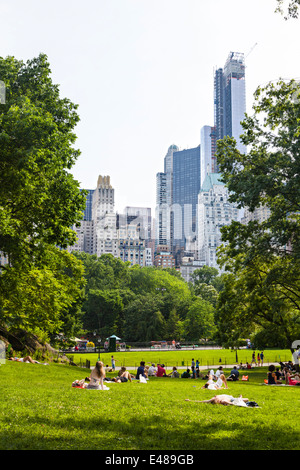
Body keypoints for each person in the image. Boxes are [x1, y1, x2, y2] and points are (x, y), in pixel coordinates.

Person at [185, 394, 250, 406]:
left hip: (228, 396)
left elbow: (203, 401)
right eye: (218, 402)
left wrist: (190, 400)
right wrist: (190, 401)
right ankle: (239, 399)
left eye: (217, 400)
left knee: (247, 399)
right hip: (230, 399)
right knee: (246, 399)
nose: (219, 402)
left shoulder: (215, 398)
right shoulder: (222, 401)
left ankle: (239, 398)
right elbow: (203, 401)